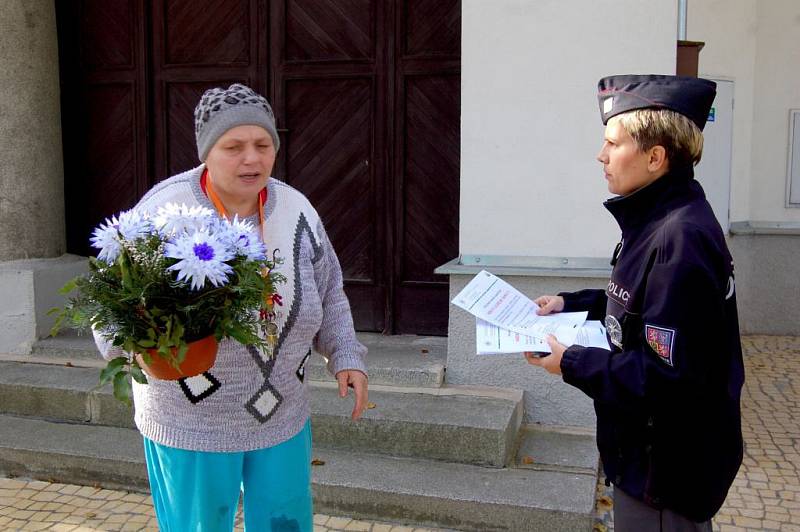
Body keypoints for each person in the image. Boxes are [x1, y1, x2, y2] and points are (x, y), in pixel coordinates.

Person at [93, 83, 368, 531]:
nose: (252, 159)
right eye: (233, 146)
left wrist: (346, 356)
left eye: (263, 145)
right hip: (190, 420)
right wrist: (135, 351)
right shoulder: (164, 211)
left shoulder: (296, 209)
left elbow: (330, 289)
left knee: (286, 523)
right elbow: (109, 307)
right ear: (207, 151)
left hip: (281, 411)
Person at [525, 75, 744, 531]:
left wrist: (572, 362)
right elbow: (635, 306)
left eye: (612, 144)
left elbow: (671, 382)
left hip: (665, 478)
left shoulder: (680, 238)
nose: (601, 156)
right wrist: (569, 303)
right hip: (644, 462)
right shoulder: (656, 219)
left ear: (655, 157)